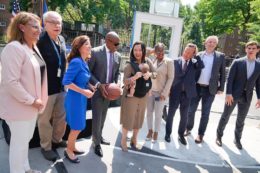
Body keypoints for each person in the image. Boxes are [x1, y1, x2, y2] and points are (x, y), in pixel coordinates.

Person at [0, 12, 48, 173]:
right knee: (18, 146)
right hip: (20, 107)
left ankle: (26, 169)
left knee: (24, 142)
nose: (38, 30)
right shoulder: (13, 48)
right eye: (34, 26)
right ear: (21, 27)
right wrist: (32, 100)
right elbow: (11, 82)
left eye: (39, 27)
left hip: (31, 107)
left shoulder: (32, 47)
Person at [216, 41, 260, 150]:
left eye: (253, 48)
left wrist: (259, 97)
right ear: (245, 49)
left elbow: (258, 83)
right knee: (226, 116)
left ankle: (237, 139)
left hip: (247, 96)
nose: (251, 50)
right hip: (233, 95)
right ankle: (219, 136)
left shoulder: (259, 65)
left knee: (241, 119)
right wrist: (229, 94)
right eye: (249, 48)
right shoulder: (237, 62)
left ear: (257, 50)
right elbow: (230, 79)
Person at [37, 11, 67, 161]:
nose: (57, 25)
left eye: (59, 23)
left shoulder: (61, 39)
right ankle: (46, 147)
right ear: (45, 24)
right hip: (46, 88)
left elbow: (63, 61)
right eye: (53, 22)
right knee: (44, 119)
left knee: (61, 117)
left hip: (61, 87)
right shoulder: (39, 41)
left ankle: (57, 140)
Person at [185, 36, 226, 143]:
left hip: (210, 89)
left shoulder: (220, 56)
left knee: (205, 113)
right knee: (190, 110)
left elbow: (223, 73)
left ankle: (200, 134)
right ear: (205, 43)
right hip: (197, 87)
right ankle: (188, 128)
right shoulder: (198, 55)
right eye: (209, 42)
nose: (211, 44)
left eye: (213, 42)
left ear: (216, 44)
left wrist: (221, 87)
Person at [88, 31, 121, 157]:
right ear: (108, 41)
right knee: (97, 117)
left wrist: (116, 84)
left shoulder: (117, 55)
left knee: (103, 115)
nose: (117, 47)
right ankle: (96, 144)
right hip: (97, 91)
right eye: (116, 44)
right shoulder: (95, 52)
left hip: (109, 92)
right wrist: (98, 85)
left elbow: (117, 72)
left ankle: (99, 136)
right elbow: (88, 72)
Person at [62, 35, 94, 163]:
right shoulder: (76, 62)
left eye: (90, 44)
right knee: (76, 127)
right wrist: (83, 91)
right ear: (79, 47)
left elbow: (82, 79)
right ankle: (69, 151)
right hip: (75, 99)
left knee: (78, 126)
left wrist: (90, 86)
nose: (90, 46)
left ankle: (72, 146)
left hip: (80, 99)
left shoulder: (83, 61)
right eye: (87, 44)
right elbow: (66, 82)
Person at [165, 43, 204, 145]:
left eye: (190, 53)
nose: (186, 54)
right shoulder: (174, 62)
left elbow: (201, 67)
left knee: (184, 116)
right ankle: (168, 133)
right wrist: (168, 89)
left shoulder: (194, 63)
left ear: (193, 54)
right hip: (175, 92)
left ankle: (181, 134)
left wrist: (196, 56)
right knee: (171, 114)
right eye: (186, 51)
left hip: (187, 94)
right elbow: (169, 77)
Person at [120, 41, 156, 152]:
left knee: (139, 118)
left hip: (143, 95)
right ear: (132, 51)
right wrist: (134, 77)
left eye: (140, 50)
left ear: (143, 51)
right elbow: (125, 81)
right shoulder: (129, 64)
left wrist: (149, 74)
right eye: (135, 50)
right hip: (131, 96)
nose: (138, 52)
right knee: (128, 118)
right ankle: (123, 140)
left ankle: (134, 139)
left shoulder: (148, 61)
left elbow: (155, 74)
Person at [146, 43, 174, 142]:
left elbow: (171, 78)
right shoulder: (153, 60)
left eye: (162, 51)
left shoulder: (169, 62)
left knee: (158, 114)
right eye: (158, 51)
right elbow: (145, 53)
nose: (160, 53)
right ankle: (150, 130)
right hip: (150, 91)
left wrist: (164, 93)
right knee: (149, 113)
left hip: (161, 93)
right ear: (155, 52)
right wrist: (153, 51)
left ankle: (156, 133)